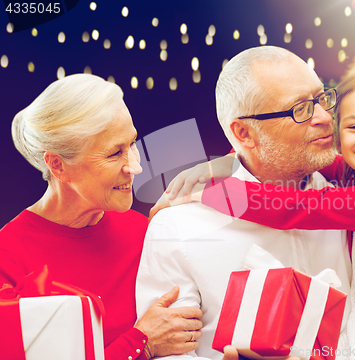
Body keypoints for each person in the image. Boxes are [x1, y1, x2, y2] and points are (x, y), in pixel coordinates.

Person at [139, 46, 355, 360]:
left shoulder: (351, 187)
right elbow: (170, 353)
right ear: (243, 133)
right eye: (300, 109)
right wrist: (223, 166)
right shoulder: (179, 225)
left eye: (322, 98)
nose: (326, 118)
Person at [0, 74, 203, 360]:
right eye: (113, 154)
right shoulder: (8, 260)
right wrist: (140, 343)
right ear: (57, 164)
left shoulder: (141, 230)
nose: (135, 167)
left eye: (131, 144)